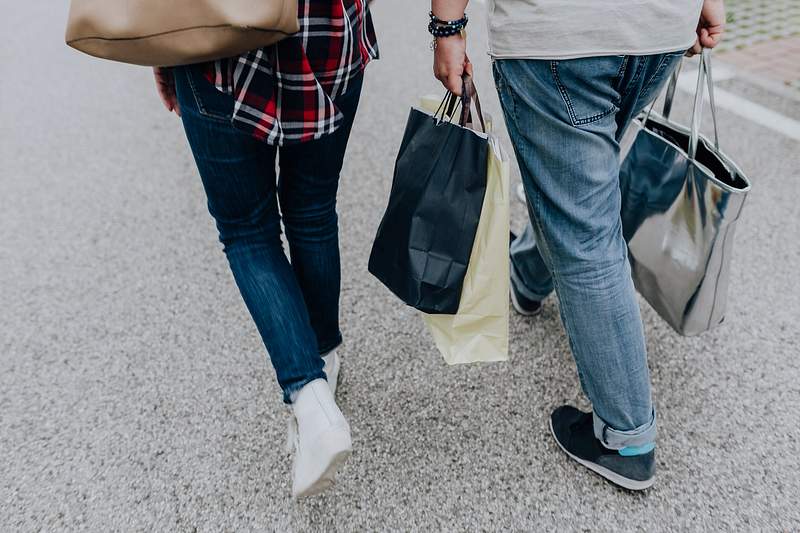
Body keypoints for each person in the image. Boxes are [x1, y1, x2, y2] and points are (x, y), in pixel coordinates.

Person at [431, 0, 725, 490]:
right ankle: (528, 271)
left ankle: (626, 436)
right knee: (574, 186)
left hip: (558, 33)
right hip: (660, 26)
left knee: (585, 233)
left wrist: (447, 26)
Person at [152, 1, 378, 498]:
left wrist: (163, 47)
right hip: (331, 37)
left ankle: (310, 395)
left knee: (247, 230)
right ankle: (324, 360)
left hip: (222, 46)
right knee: (313, 208)